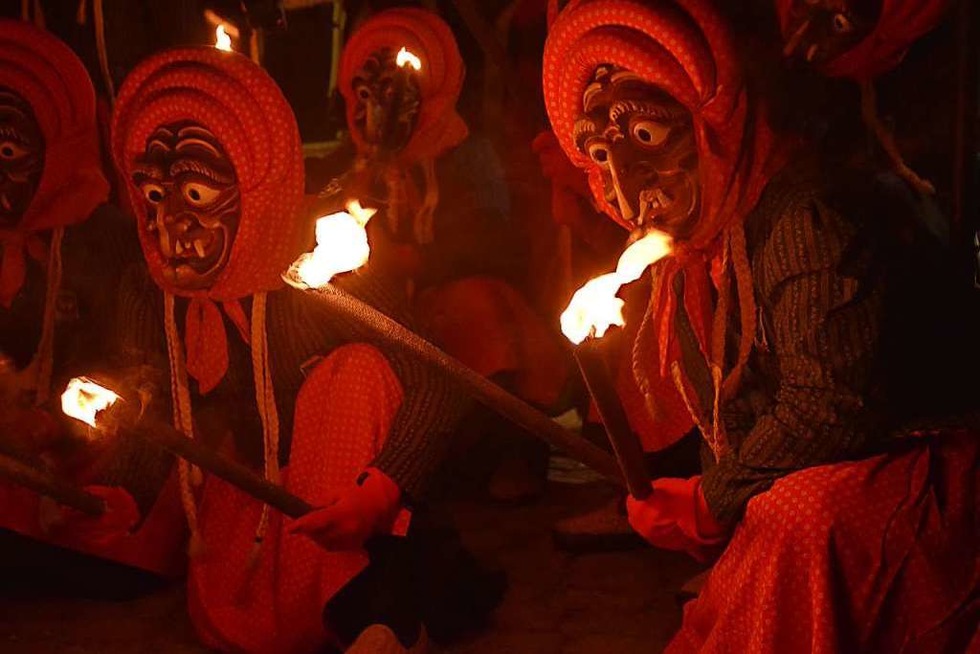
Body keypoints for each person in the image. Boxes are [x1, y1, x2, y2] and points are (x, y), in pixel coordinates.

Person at [543, 0, 978, 650]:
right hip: (838, 473)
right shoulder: (713, 249)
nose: (629, 186)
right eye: (604, 155)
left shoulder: (804, 216)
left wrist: (711, 500)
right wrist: (711, 498)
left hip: (931, 470)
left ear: (711, 121)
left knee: (793, 517)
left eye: (646, 139)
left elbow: (829, 408)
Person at [108, 45, 496, 653]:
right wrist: (113, 473)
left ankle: (380, 617)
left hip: (361, 477)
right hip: (261, 498)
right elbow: (150, 401)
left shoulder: (322, 254)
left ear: (253, 185)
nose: (171, 228)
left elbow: (435, 381)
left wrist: (380, 490)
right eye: (156, 197)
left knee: (353, 374)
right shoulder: (149, 286)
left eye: (199, 198)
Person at [327, 7, 572, 503]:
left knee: (482, 314)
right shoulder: (352, 167)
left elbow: (493, 239)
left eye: (394, 93)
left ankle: (507, 452)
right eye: (365, 95)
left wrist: (420, 260)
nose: (377, 110)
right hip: (382, 307)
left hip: (455, 294)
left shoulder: (466, 155)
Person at [0, 18, 185, 589]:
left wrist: (55, 422)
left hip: (84, 455)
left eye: (7, 149)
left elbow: (138, 371)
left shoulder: (106, 241)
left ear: (55, 148)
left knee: (123, 512)